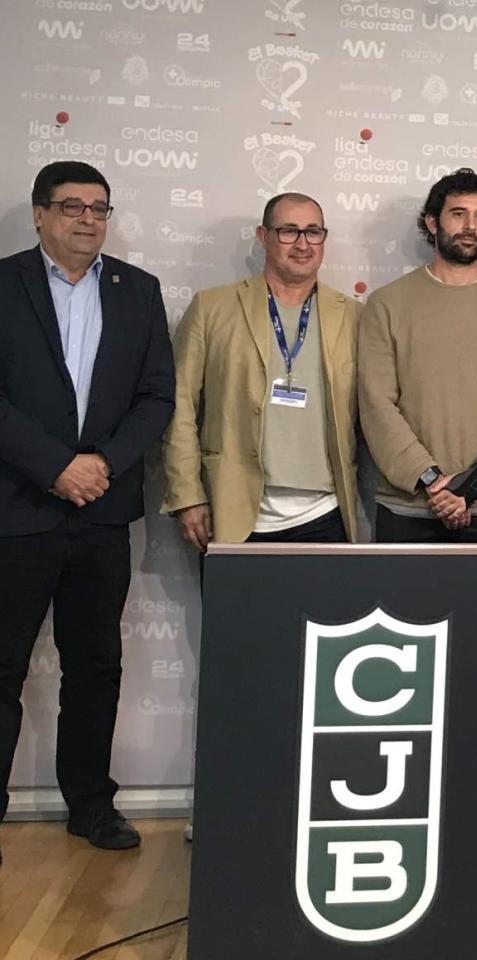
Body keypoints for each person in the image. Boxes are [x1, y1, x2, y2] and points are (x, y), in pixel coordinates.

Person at [0, 161, 174, 855]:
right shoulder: (4, 282)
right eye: (72, 206)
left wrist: (101, 462)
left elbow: (156, 396)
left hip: (102, 509)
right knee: (2, 669)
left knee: (96, 666)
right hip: (16, 508)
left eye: (99, 208)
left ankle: (91, 806)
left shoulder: (139, 290)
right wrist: (54, 467)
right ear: (40, 214)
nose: (87, 219)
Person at [162, 193, 360, 547]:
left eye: (313, 232)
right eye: (289, 231)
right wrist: (187, 495)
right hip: (232, 511)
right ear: (263, 236)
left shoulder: (354, 316)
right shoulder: (212, 307)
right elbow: (179, 405)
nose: (303, 244)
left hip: (326, 514)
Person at [358, 168, 477, 543]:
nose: (470, 227)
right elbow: (377, 407)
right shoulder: (386, 304)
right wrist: (432, 482)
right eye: (458, 214)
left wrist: (470, 486)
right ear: (432, 222)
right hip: (407, 507)